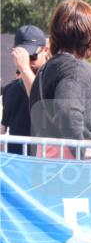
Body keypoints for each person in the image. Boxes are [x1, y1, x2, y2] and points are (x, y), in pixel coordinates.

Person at [28, 0, 91, 156]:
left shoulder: (45, 69)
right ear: (88, 35)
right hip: (74, 168)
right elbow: (67, 111)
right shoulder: (71, 69)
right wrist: (84, 151)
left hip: (48, 163)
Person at [2, 25, 50, 154]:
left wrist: (24, 69)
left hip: (43, 165)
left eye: (32, 56)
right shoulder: (10, 90)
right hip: (15, 165)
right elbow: (3, 129)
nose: (27, 62)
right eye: (22, 56)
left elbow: (42, 104)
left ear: (45, 50)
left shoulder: (54, 81)